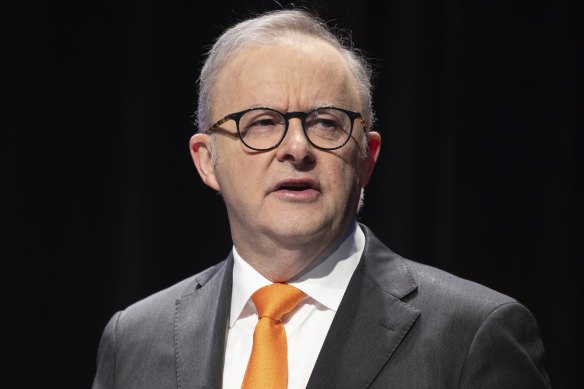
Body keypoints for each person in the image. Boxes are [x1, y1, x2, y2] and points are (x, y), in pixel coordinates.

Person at [92, 9, 550, 389]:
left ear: (367, 157)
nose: (297, 148)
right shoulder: (134, 339)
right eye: (262, 122)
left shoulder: (472, 335)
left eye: (327, 123)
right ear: (207, 160)